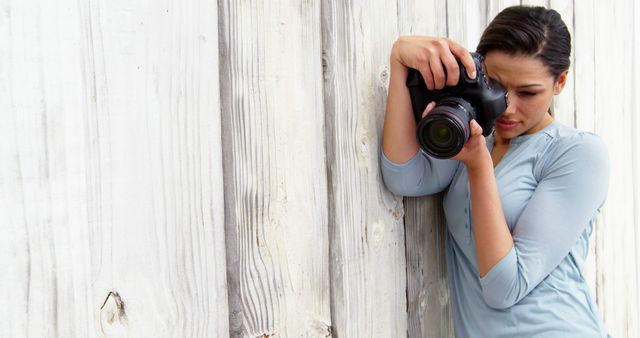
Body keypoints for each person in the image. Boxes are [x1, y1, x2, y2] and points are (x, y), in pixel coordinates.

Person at [381, 5, 610, 338]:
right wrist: (400, 62)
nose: (508, 107)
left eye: (528, 93)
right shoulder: (477, 134)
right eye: (495, 84)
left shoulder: (577, 154)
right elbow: (404, 176)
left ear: (560, 82)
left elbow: (506, 286)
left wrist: (478, 166)